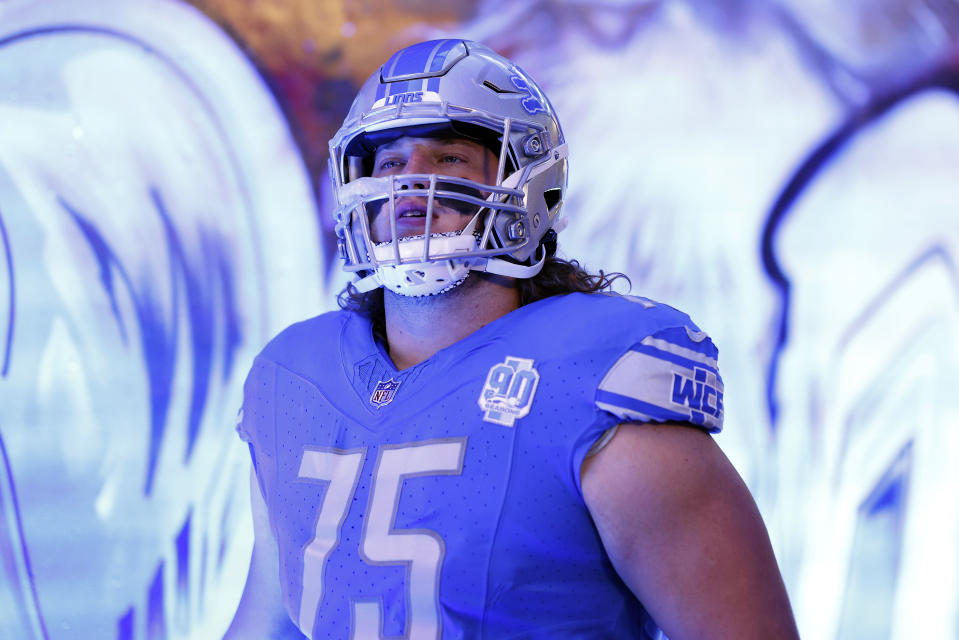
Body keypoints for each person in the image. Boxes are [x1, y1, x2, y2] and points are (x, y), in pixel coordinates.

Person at [226, 38, 800, 639]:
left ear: (529, 185)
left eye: (448, 158)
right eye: (390, 163)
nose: (408, 184)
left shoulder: (596, 378)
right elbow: (268, 622)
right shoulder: (293, 380)